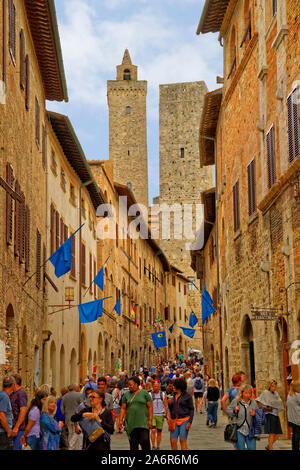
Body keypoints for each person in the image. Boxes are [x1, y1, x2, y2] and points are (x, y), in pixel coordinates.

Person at [120, 376, 153, 451]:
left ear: (136, 384)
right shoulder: (126, 395)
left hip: (143, 423)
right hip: (131, 423)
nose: (129, 387)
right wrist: (120, 420)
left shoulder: (145, 393)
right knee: (133, 444)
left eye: (131, 385)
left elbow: (150, 407)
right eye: (128, 385)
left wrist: (150, 420)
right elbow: (123, 408)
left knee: (145, 441)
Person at [226, 383, 258, 450]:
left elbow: (259, 416)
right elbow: (228, 411)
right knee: (241, 448)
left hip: (250, 430)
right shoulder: (236, 401)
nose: (248, 395)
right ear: (242, 393)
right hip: (239, 430)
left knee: (252, 448)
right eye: (246, 393)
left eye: (249, 393)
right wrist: (235, 411)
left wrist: (255, 414)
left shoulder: (253, 403)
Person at [168, 378, 194, 451]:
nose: (173, 387)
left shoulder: (187, 396)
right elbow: (170, 408)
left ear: (179, 386)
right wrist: (169, 404)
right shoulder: (172, 395)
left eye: (174, 386)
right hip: (174, 421)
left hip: (184, 420)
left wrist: (190, 422)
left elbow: (191, 409)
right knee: (173, 441)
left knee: (182, 440)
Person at [256, 380, 283, 450]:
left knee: (278, 434)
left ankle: (268, 446)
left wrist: (273, 403)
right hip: (269, 415)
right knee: (271, 433)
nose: (274, 388)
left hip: (276, 414)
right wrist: (265, 406)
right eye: (273, 386)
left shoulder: (276, 393)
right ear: (269, 386)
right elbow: (258, 401)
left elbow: (280, 402)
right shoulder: (265, 393)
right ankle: (271, 448)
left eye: (275, 386)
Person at [61, 384, 83, 450]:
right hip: (76, 417)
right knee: (78, 432)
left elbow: (62, 408)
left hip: (67, 417)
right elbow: (82, 406)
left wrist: (65, 414)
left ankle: (72, 447)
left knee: (71, 433)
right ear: (74, 388)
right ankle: (71, 446)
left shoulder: (64, 397)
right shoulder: (79, 395)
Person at [9, 374, 28, 450]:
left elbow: (23, 411)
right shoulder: (13, 394)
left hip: (18, 429)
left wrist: (16, 427)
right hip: (12, 428)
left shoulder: (21, 393)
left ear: (14, 383)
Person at [150, 382, 168, 450]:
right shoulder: (150, 395)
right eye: (154, 386)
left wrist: (167, 415)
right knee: (153, 430)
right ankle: (153, 445)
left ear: (159, 387)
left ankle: (158, 446)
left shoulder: (163, 394)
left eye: (157, 386)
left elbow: (166, 405)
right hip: (153, 415)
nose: (156, 388)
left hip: (160, 415)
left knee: (159, 431)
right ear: (152, 387)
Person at [0, 376, 15, 450]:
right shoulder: (4, 396)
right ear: (13, 385)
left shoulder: (2, 395)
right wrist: (8, 430)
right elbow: (1, 415)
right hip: (3, 433)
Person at [287, 380, 300, 450]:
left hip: (291, 419)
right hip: (297, 419)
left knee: (294, 435)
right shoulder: (297, 395)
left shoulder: (289, 395)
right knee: (297, 436)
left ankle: (294, 448)